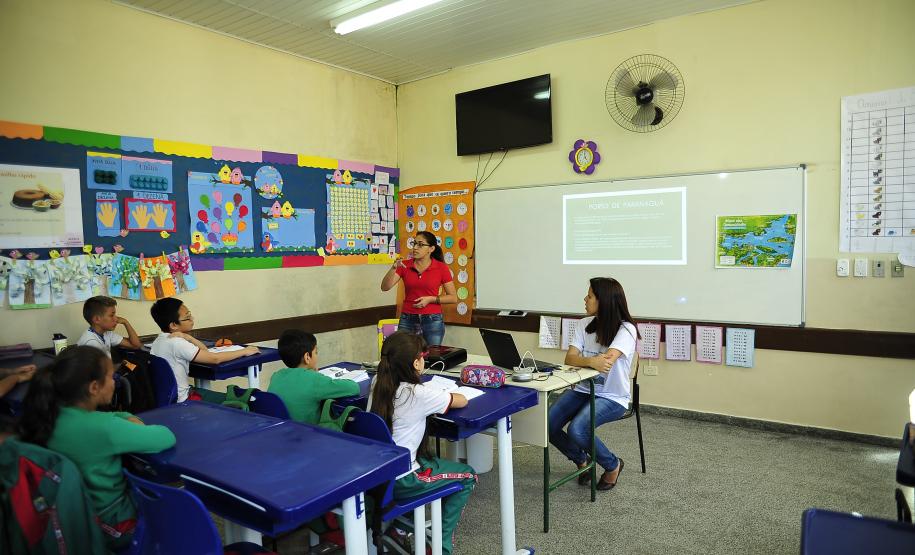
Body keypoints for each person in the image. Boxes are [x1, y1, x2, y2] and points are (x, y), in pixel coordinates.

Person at [17, 346, 176, 550]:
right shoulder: (105, 428)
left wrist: (121, 417)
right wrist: (129, 418)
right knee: (173, 511)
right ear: (94, 387)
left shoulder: (44, 416)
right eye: (111, 377)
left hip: (67, 520)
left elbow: (105, 421)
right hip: (113, 523)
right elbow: (165, 437)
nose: (114, 382)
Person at [369, 331, 475, 555]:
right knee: (467, 476)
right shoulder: (417, 393)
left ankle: (398, 530)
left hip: (377, 474)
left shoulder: (379, 382)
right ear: (416, 362)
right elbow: (461, 400)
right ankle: (440, 546)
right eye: (422, 356)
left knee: (429, 460)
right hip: (404, 479)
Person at [548, 277, 638, 491]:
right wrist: (590, 361)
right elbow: (569, 359)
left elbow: (606, 362)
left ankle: (612, 464)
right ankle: (582, 461)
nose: (585, 299)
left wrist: (592, 362)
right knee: (547, 425)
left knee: (578, 430)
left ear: (604, 301)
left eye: (589, 296)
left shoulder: (626, 330)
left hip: (612, 397)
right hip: (581, 389)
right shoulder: (583, 324)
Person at [149, 297, 259, 402]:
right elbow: (214, 359)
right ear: (173, 325)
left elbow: (205, 352)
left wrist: (189, 337)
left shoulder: (159, 341)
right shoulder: (177, 343)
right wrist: (244, 351)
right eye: (187, 318)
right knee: (237, 401)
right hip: (183, 400)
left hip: (167, 398)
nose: (192, 319)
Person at [380, 231, 457, 345]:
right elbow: (385, 287)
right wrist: (393, 268)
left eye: (420, 244)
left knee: (432, 357)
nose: (415, 248)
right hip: (408, 318)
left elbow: (453, 298)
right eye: (414, 243)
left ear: (431, 249)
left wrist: (431, 299)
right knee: (405, 354)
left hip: (432, 319)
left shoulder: (441, 268)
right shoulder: (404, 265)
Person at [268, 329, 360, 424]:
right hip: (308, 435)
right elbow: (353, 388)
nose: (317, 355)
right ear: (307, 357)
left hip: (280, 431)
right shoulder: (314, 380)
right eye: (316, 352)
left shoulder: (276, 376)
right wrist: (314, 376)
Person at [77, 295, 143, 356]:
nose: (116, 319)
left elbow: (136, 345)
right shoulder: (91, 343)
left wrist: (126, 323)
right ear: (96, 319)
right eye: (111, 315)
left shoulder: (106, 333)